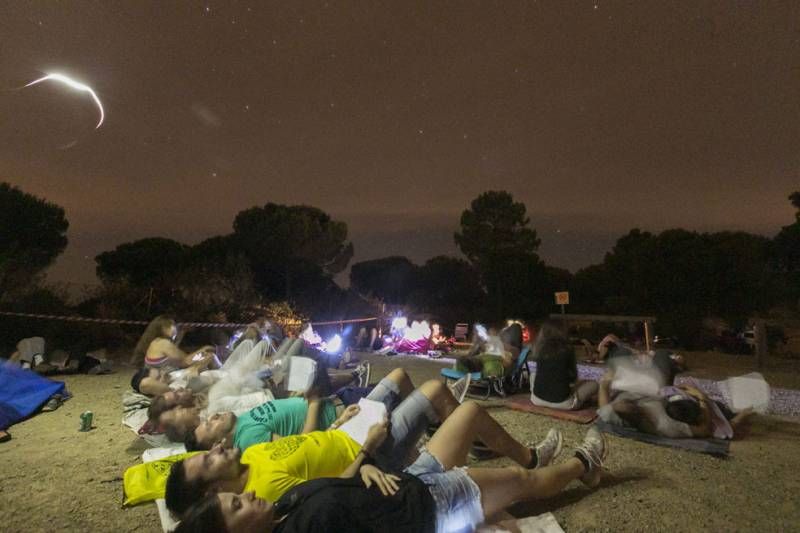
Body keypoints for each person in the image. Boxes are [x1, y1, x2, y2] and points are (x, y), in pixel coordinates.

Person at [165, 375, 550, 516]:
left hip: (348, 433)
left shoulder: (251, 454)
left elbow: (301, 443)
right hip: (370, 455)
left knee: (412, 382)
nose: (217, 448)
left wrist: (341, 423)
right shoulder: (264, 493)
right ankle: (522, 456)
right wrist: (367, 449)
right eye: (208, 460)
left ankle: (466, 443)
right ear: (214, 489)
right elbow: (330, 492)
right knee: (444, 395)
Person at [173, 421, 605, 533]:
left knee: (466, 414)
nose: (247, 495)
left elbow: (338, 487)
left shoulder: (282, 512)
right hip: (434, 505)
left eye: (238, 497)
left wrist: (367, 468)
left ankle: (536, 455)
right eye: (237, 506)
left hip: (409, 477)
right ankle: (585, 466)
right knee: (521, 484)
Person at [530, 323, 598, 410]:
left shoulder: (539, 349)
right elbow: (573, 379)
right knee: (595, 384)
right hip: (563, 403)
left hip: (536, 399)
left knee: (533, 375)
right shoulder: (567, 349)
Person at [133, 315, 216, 371]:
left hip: (160, 373)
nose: (175, 328)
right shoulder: (163, 343)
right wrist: (202, 350)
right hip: (167, 376)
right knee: (210, 356)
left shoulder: (156, 342)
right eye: (172, 325)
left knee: (205, 357)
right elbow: (186, 361)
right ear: (163, 328)